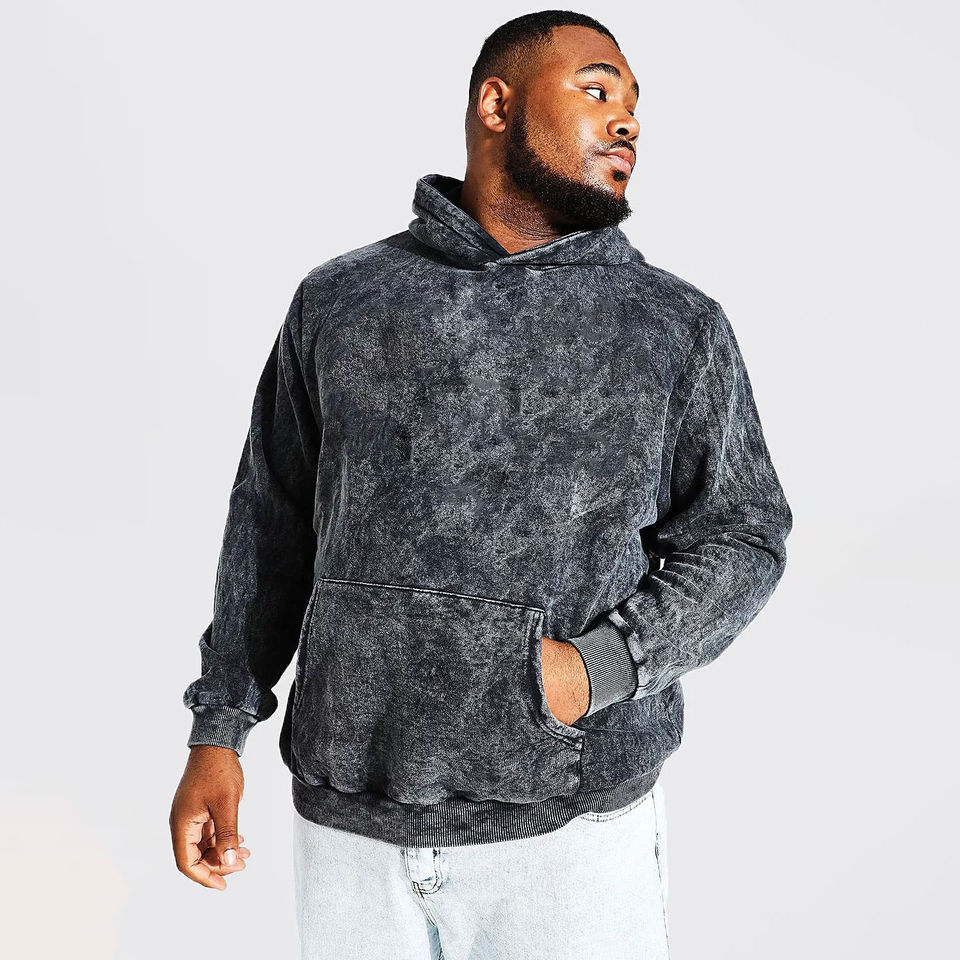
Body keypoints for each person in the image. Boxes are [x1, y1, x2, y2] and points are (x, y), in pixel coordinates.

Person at [169, 10, 793, 959]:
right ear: (497, 105)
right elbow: (272, 517)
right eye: (596, 89)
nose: (626, 119)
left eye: (634, 104)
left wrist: (596, 668)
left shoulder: (671, 325)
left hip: (570, 837)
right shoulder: (342, 300)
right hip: (347, 831)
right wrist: (219, 731)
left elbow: (742, 536)